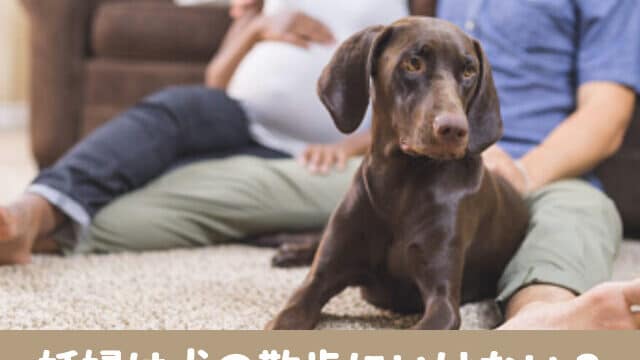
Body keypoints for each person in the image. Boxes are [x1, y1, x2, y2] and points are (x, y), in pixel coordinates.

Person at [1, 0, 639, 330]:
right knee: (195, 188)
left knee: (580, 216)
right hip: (391, 164)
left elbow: (605, 118)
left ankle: (540, 320)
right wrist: (359, 143)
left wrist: (519, 171)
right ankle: (46, 218)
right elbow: (400, 86)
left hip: (533, 168)